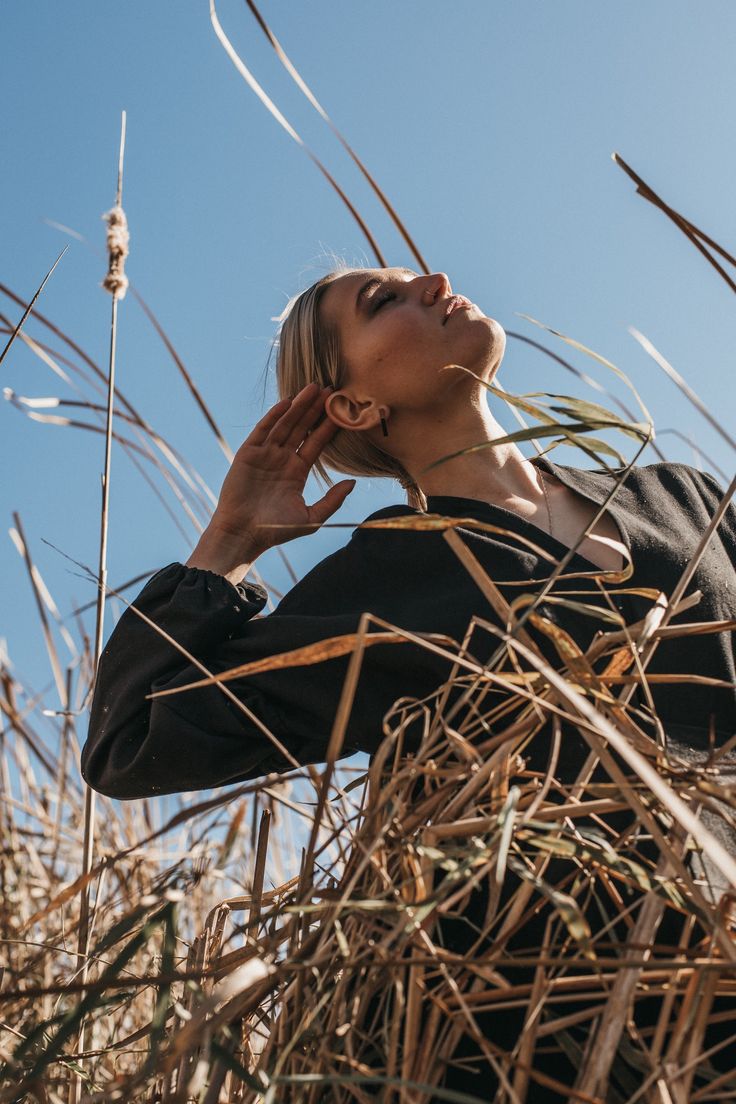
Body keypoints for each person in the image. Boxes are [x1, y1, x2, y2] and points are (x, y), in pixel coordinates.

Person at [83, 266, 736, 1099]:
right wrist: (230, 541)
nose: (432, 279)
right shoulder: (384, 584)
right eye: (382, 301)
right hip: (539, 1045)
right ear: (353, 407)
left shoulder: (682, 497)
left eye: (411, 277)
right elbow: (130, 741)